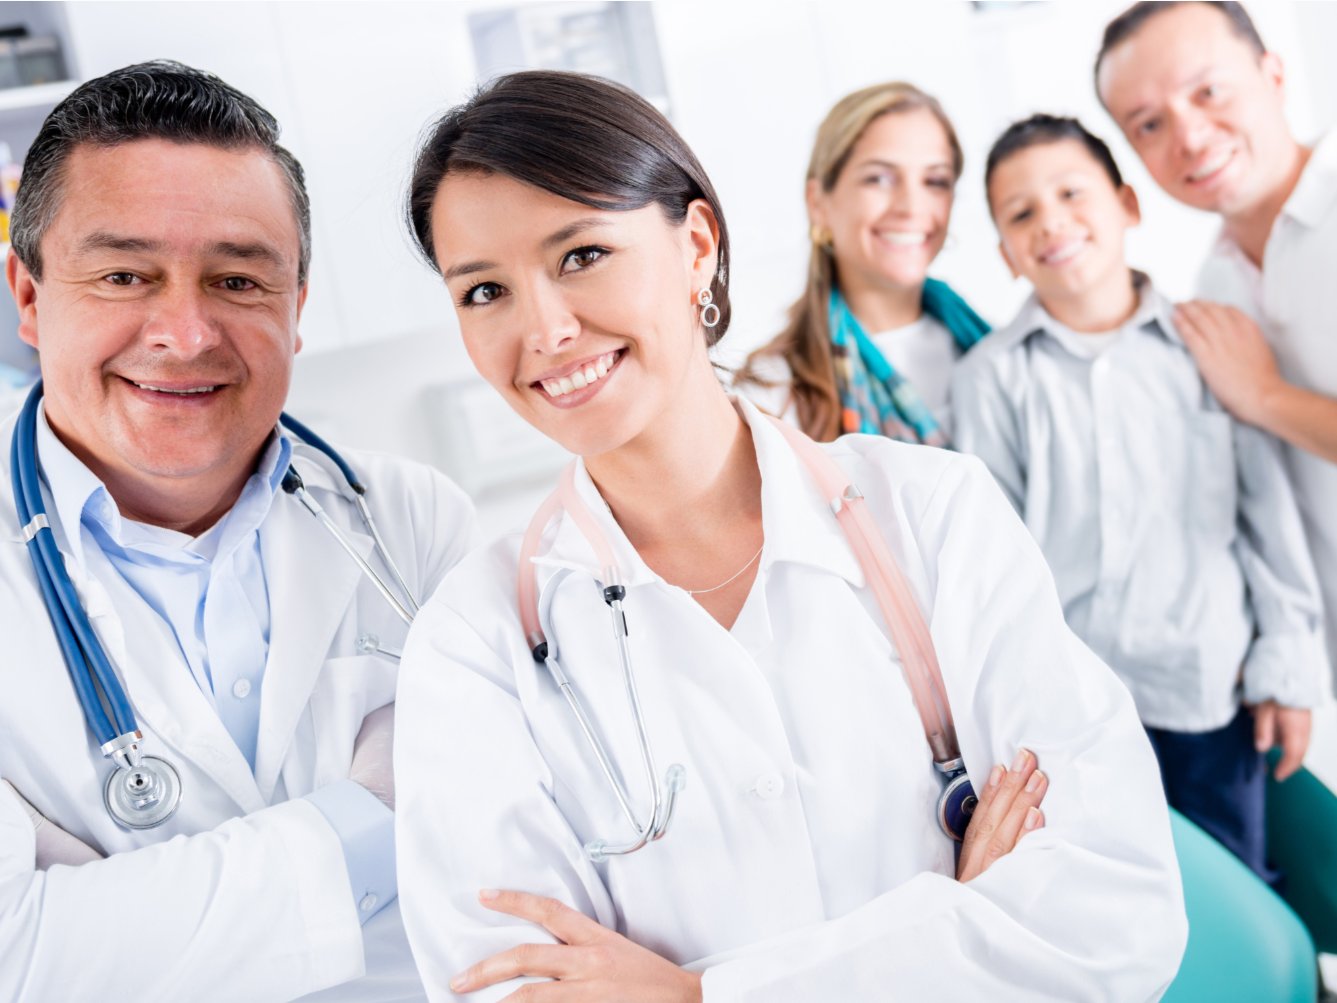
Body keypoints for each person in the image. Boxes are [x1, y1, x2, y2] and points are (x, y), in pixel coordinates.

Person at [393, 70, 1185, 1002]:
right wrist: (953, 921)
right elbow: (506, 986)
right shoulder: (473, 644)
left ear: (695, 245)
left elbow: (1109, 912)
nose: (545, 327)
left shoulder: (930, 513)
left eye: (579, 256)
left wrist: (694, 995)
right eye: (483, 291)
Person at [0, 61, 478, 1001]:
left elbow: (505, 860)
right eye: (124, 274)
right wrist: (374, 812)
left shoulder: (410, 526)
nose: (185, 332)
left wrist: (101, 903)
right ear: (27, 294)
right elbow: (19, 960)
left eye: (237, 279)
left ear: (296, 308)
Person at [952, 113, 1326, 880]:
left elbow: (1266, 518)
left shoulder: (1208, 343)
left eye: (1070, 193)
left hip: (1208, 695)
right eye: (1021, 214)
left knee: (1235, 896)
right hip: (1075, 712)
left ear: (1126, 205)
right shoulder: (992, 377)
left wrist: (1286, 668)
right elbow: (992, 557)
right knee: (1109, 907)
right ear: (1005, 254)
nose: (1051, 222)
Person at [1095, 0, 1337, 695]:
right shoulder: (1211, 284)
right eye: (1148, 124)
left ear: (1273, 73)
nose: (1191, 137)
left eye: (1207, 91)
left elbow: (1258, 402)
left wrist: (1262, 395)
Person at [735, 82, 988, 444]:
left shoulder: (996, 350)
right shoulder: (771, 392)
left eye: (935, 181)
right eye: (879, 178)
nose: (912, 207)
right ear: (818, 202)